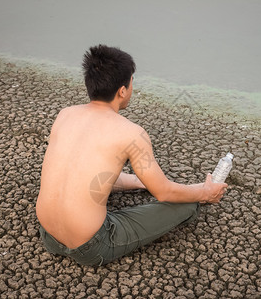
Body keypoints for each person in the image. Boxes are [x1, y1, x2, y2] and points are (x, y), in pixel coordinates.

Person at [36, 45, 228, 266]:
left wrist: (141, 182)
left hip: (49, 236)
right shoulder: (132, 133)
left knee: (89, 178)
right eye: (132, 83)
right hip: (91, 246)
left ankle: (141, 183)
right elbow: (164, 193)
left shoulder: (65, 115)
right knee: (187, 204)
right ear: (122, 90)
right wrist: (204, 193)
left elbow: (87, 174)